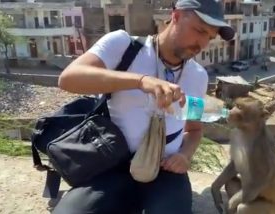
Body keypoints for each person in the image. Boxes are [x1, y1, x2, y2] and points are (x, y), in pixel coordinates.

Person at [53, 0, 234, 213]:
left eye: (209, 37)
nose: (202, 44)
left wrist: (184, 155)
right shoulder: (123, 45)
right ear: (175, 16)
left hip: (165, 169)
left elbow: (193, 130)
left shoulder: (198, 76)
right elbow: (68, 79)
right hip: (112, 163)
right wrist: (140, 81)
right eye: (199, 30)